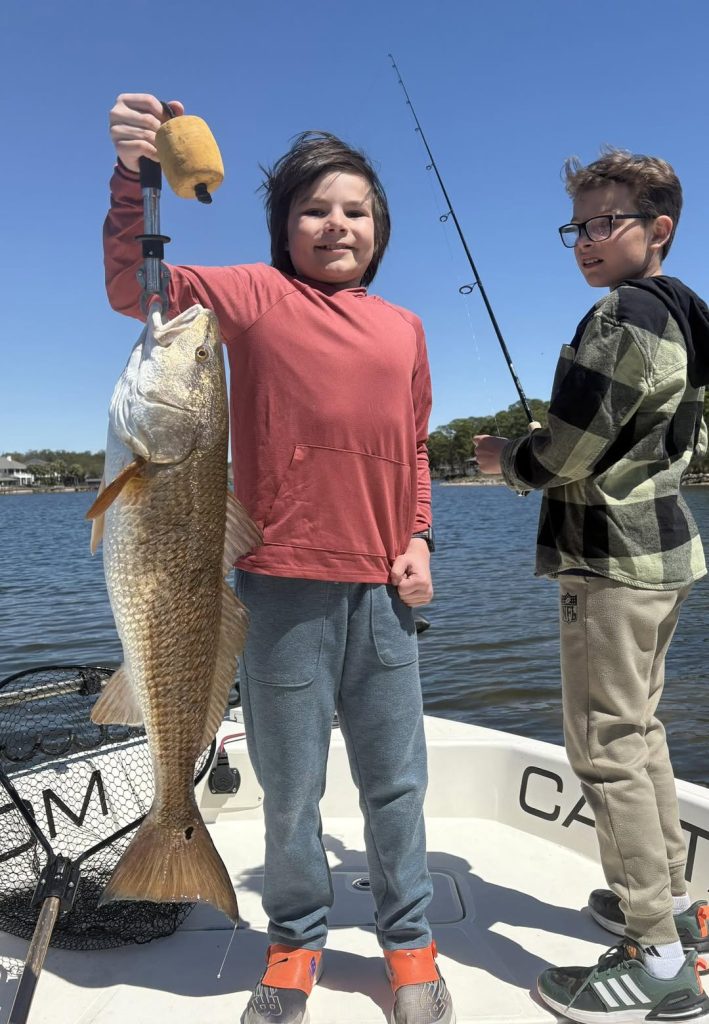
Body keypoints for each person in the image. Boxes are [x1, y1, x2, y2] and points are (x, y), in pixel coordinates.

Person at [103, 94, 454, 1024]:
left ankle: (409, 943)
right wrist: (134, 179)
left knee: (396, 784)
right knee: (290, 789)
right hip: (279, 590)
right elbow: (137, 290)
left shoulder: (406, 328)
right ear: (283, 229)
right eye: (313, 210)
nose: (336, 224)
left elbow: (415, 445)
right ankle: (295, 940)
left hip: (383, 593)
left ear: (379, 229)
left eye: (355, 211)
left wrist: (419, 535)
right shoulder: (255, 299)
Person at [474, 148, 709, 1023]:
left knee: (603, 748)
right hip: (664, 559)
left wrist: (506, 459)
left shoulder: (619, 314)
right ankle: (672, 907)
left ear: (658, 228)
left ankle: (657, 960)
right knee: (638, 732)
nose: (584, 240)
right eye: (576, 226)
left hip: (608, 565)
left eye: (604, 222)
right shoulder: (684, 313)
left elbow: (566, 453)